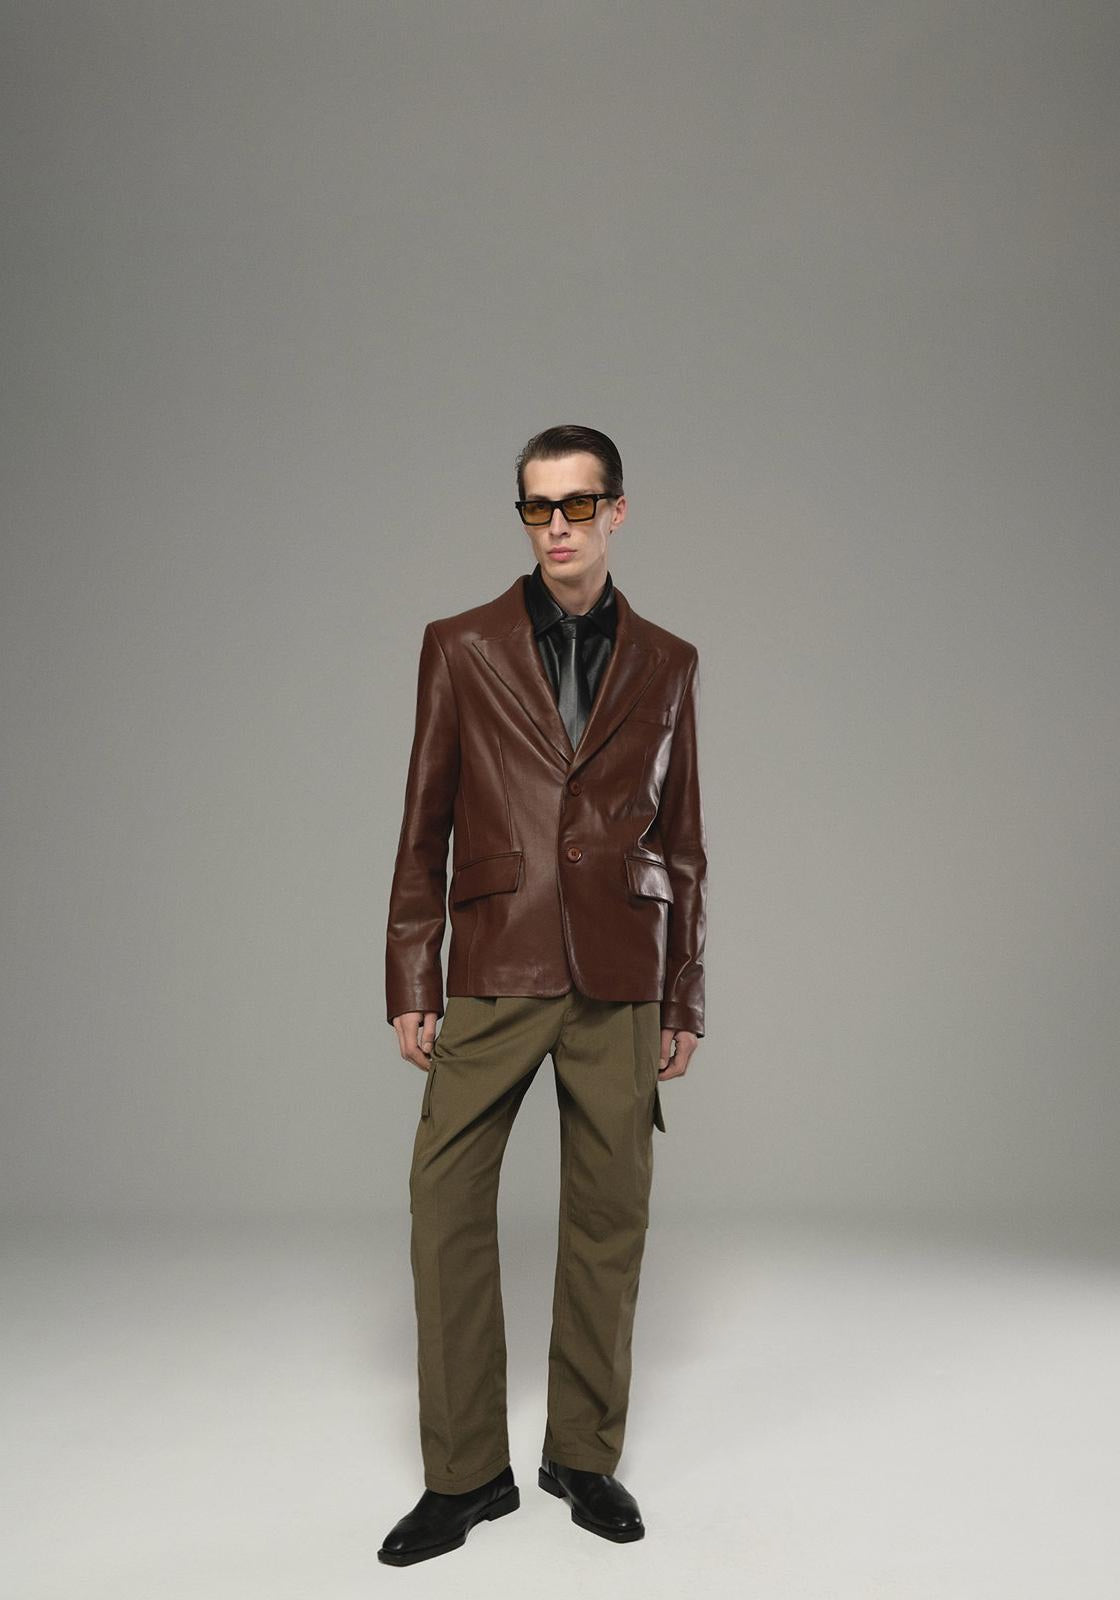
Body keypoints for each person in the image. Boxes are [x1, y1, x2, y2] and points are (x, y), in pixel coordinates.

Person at [377, 423, 707, 1566]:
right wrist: (413, 970)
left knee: (612, 1213)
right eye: (536, 507)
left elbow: (685, 843)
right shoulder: (460, 645)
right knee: (444, 1203)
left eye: (576, 504)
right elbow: (422, 823)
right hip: (495, 959)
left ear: (618, 510)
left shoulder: (670, 662)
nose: (556, 526)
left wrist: (684, 994)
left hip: (622, 971)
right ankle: (467, 1473)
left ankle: (584, 1454)